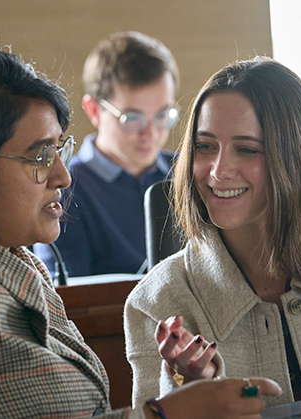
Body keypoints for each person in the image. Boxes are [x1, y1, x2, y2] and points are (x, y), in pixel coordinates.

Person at [0, 45, 281, 419]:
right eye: (37, 157)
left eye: (59, 150)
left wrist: (180, 393)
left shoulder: (16, 262)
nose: (62, 176)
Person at [124, 56, 301, 409]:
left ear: (295, 157)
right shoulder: (155, 303)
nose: (218, 172)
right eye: (205, 147)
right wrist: (188, 392)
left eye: (246, 150)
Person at [34, 31, 179, 277]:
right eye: (133, 118)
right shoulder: (63, 187)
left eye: (163, 115)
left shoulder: (189, 171)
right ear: (94, 110)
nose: (151, 133)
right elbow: (68, 300)